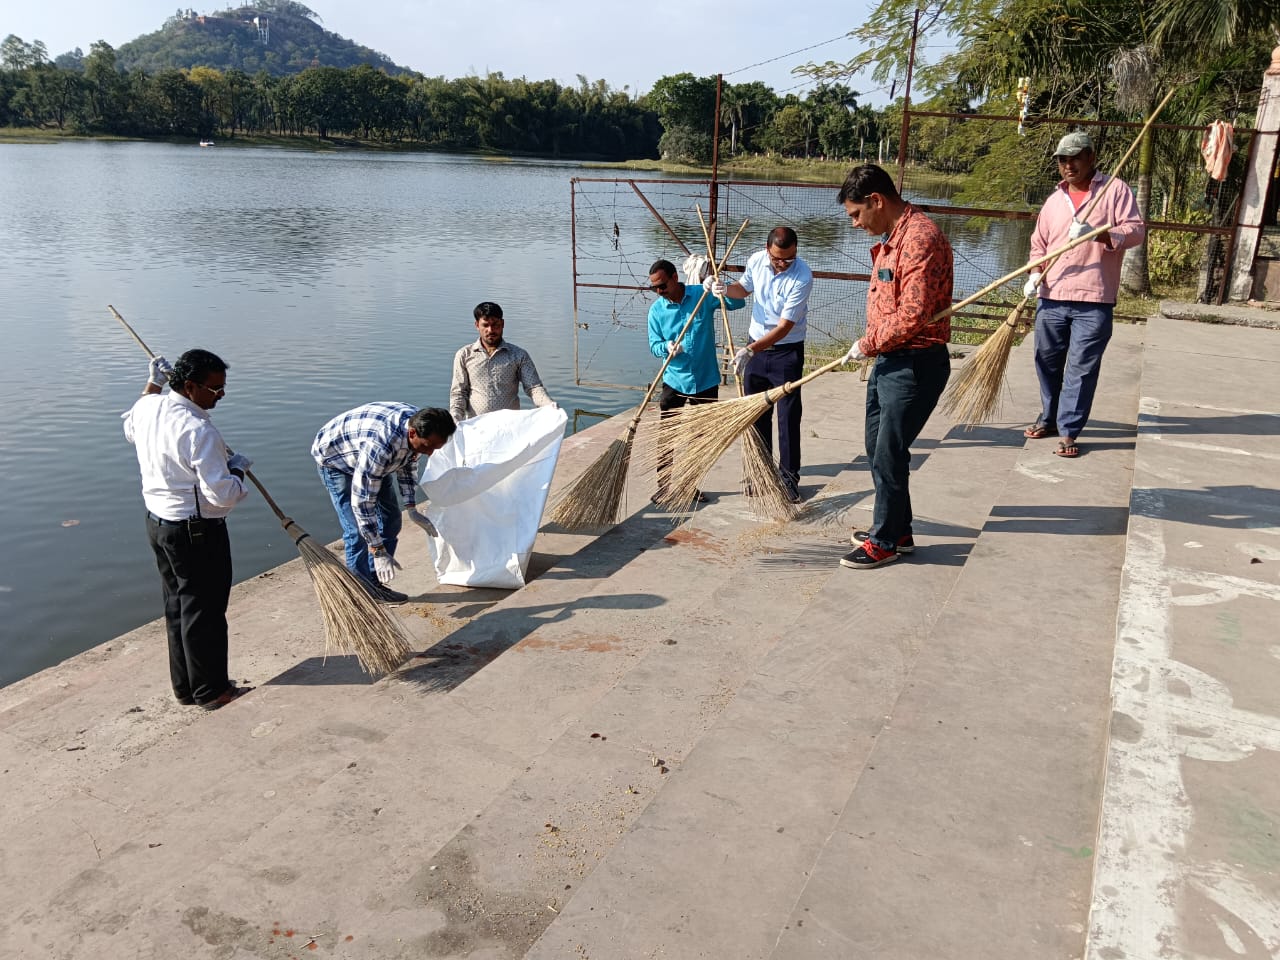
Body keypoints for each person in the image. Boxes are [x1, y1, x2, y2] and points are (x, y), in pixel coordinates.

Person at [836, 164, 954, 570]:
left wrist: (866, 343)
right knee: (877, 447)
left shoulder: (920, 238)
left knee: (888, 451)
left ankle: (884, 540)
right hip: (889, 360)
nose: (854, 224)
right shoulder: (893, 238)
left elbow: (914, 314)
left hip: (915, 363)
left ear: (876, 201)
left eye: (856, 214)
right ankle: (898, 530)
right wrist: (872, 348)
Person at [122, 349, 253, 710]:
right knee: (205, 611)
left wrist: (152, 382)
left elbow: (130, 428)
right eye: (214, 389)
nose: (220, 396)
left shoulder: (149, 406)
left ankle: (186, 688)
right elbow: (223, 495)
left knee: (178, 606)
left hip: (159, 525)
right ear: (190, 386)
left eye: (223, 388)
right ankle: (212, 691)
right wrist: (237, 470)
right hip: (195, 532)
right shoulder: (199, 429)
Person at [1022, 131, 1145, 458]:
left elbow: (1136, 231)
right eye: (1063, 159)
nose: (1068, 165)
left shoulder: (1114, 190)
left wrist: (1100, 234)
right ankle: (1049, 416)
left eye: (1075, 157)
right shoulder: (1053, 201)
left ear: (1091, 157)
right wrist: (1034, 275)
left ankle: (1069, 430)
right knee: (1046, 362)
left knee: (1080, 367)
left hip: (1094, 300)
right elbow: (1039, 245)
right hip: (1051, 296)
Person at [311, 404, 456, 603]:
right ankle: (362, 592)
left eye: (435, 448)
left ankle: (373, 581)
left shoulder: (421, 427)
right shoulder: (381, 446)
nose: (430, 453)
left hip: (370, 457)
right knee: (356, 531)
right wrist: (377, 550)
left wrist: (411, 507)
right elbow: (362, 502)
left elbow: (408, 466)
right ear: (412, 432)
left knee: (392, 520)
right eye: (427, 446)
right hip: (338, 460)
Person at [709, 226, 813, 503]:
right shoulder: (756, 260)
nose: (783, 264)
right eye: (778, 258)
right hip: (755, 348)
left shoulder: (802, 276)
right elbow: (743, 289)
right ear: (768, 250)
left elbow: (784, 326)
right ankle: (761, 473)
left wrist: (750, 350)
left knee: (788, 418)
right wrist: (723, 288)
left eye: (789, 259)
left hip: (785, 351)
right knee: (756, 414)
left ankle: (789, 479)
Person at [646, 257, 745, 502]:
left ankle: (690, 485)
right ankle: (664, 486)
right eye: (655, 288)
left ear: (674, 278)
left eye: (663, 286)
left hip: (705, 378)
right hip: (674, 379)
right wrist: (666, 347)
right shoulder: (657, 311)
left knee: (701, 437)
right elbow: (654, 345)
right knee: (668, 434)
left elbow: (737, 303)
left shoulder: (701, 295)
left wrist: (721, 287)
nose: (660, 292)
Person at [450, 301, 555, 422]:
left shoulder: (518, 355)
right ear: (477, 325)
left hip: (509, 427)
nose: (490, 330)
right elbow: (459, 393)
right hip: (476, 427)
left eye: (495, 325)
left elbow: (534, 388)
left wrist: (550, 407)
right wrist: (454, 419)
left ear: (503, 324)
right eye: (485, 325)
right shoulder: (464, 355)